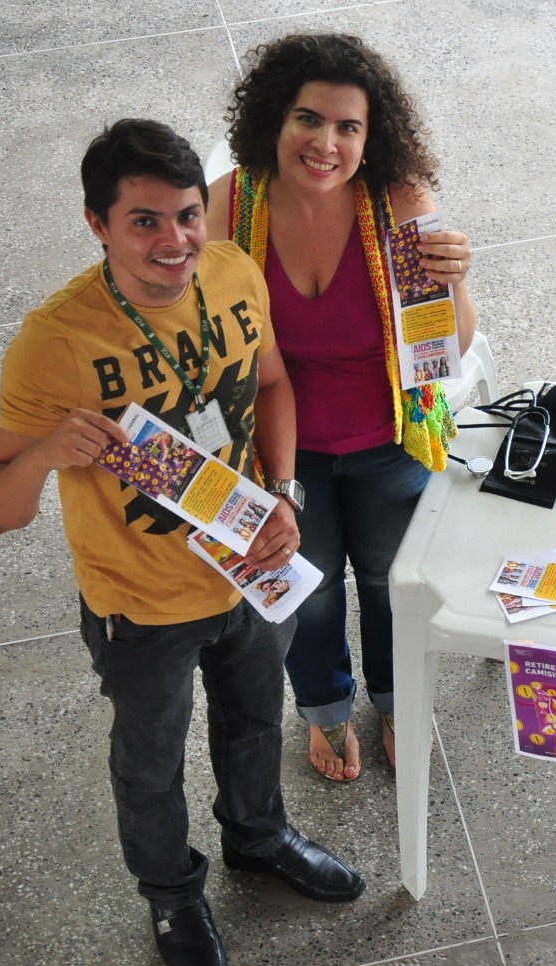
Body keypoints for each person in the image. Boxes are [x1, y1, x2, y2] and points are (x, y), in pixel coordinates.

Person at [0, 120, 365, 966]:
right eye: (143, 222)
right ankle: (171, 892)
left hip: (249, 572)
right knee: (149, 759)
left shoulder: (230, 272)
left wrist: (287, 494)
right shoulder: (57, 341)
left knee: (257, 721)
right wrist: (42, 454)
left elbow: (269, 383)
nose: (174, 242)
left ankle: (260, 840)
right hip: (139, 605)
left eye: (186, 216)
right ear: (96, 224)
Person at [207, 33, 477, 782]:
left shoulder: (399, 204)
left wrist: (454, 281)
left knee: (394, 582)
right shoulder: (233, 205)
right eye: (308, 119)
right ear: (274, 120)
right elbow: (212, 338)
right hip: (283, 448)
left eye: (348, 127)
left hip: (388, 438)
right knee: (310, 587)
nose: (325, 143)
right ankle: (324, 712)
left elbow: (446, 346)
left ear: (371, 136)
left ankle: (399, 699)